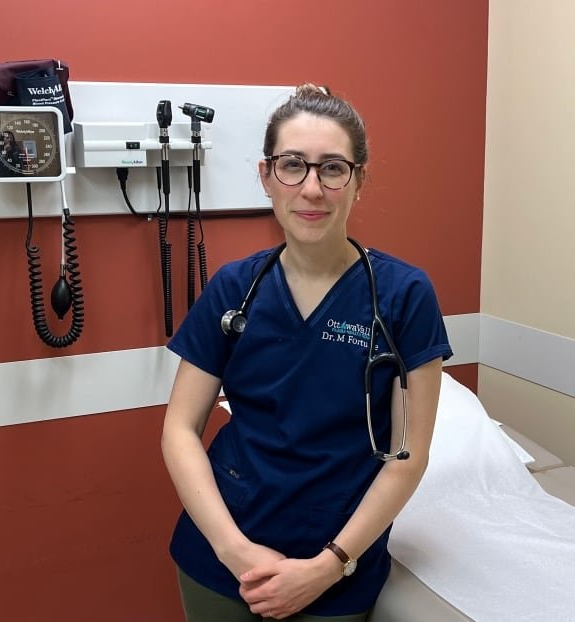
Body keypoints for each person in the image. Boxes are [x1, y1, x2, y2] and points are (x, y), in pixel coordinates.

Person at [161, 83, 453, 621]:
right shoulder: (233, 288)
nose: (311, 188)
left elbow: (407, 458)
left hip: (335, 569)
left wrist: (329, 565)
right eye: (292, 165)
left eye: (333, 168)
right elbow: (179, 429)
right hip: (219, 557)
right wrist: (234, 550)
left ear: (359, 181)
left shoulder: (404, 295)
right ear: (266, 176)